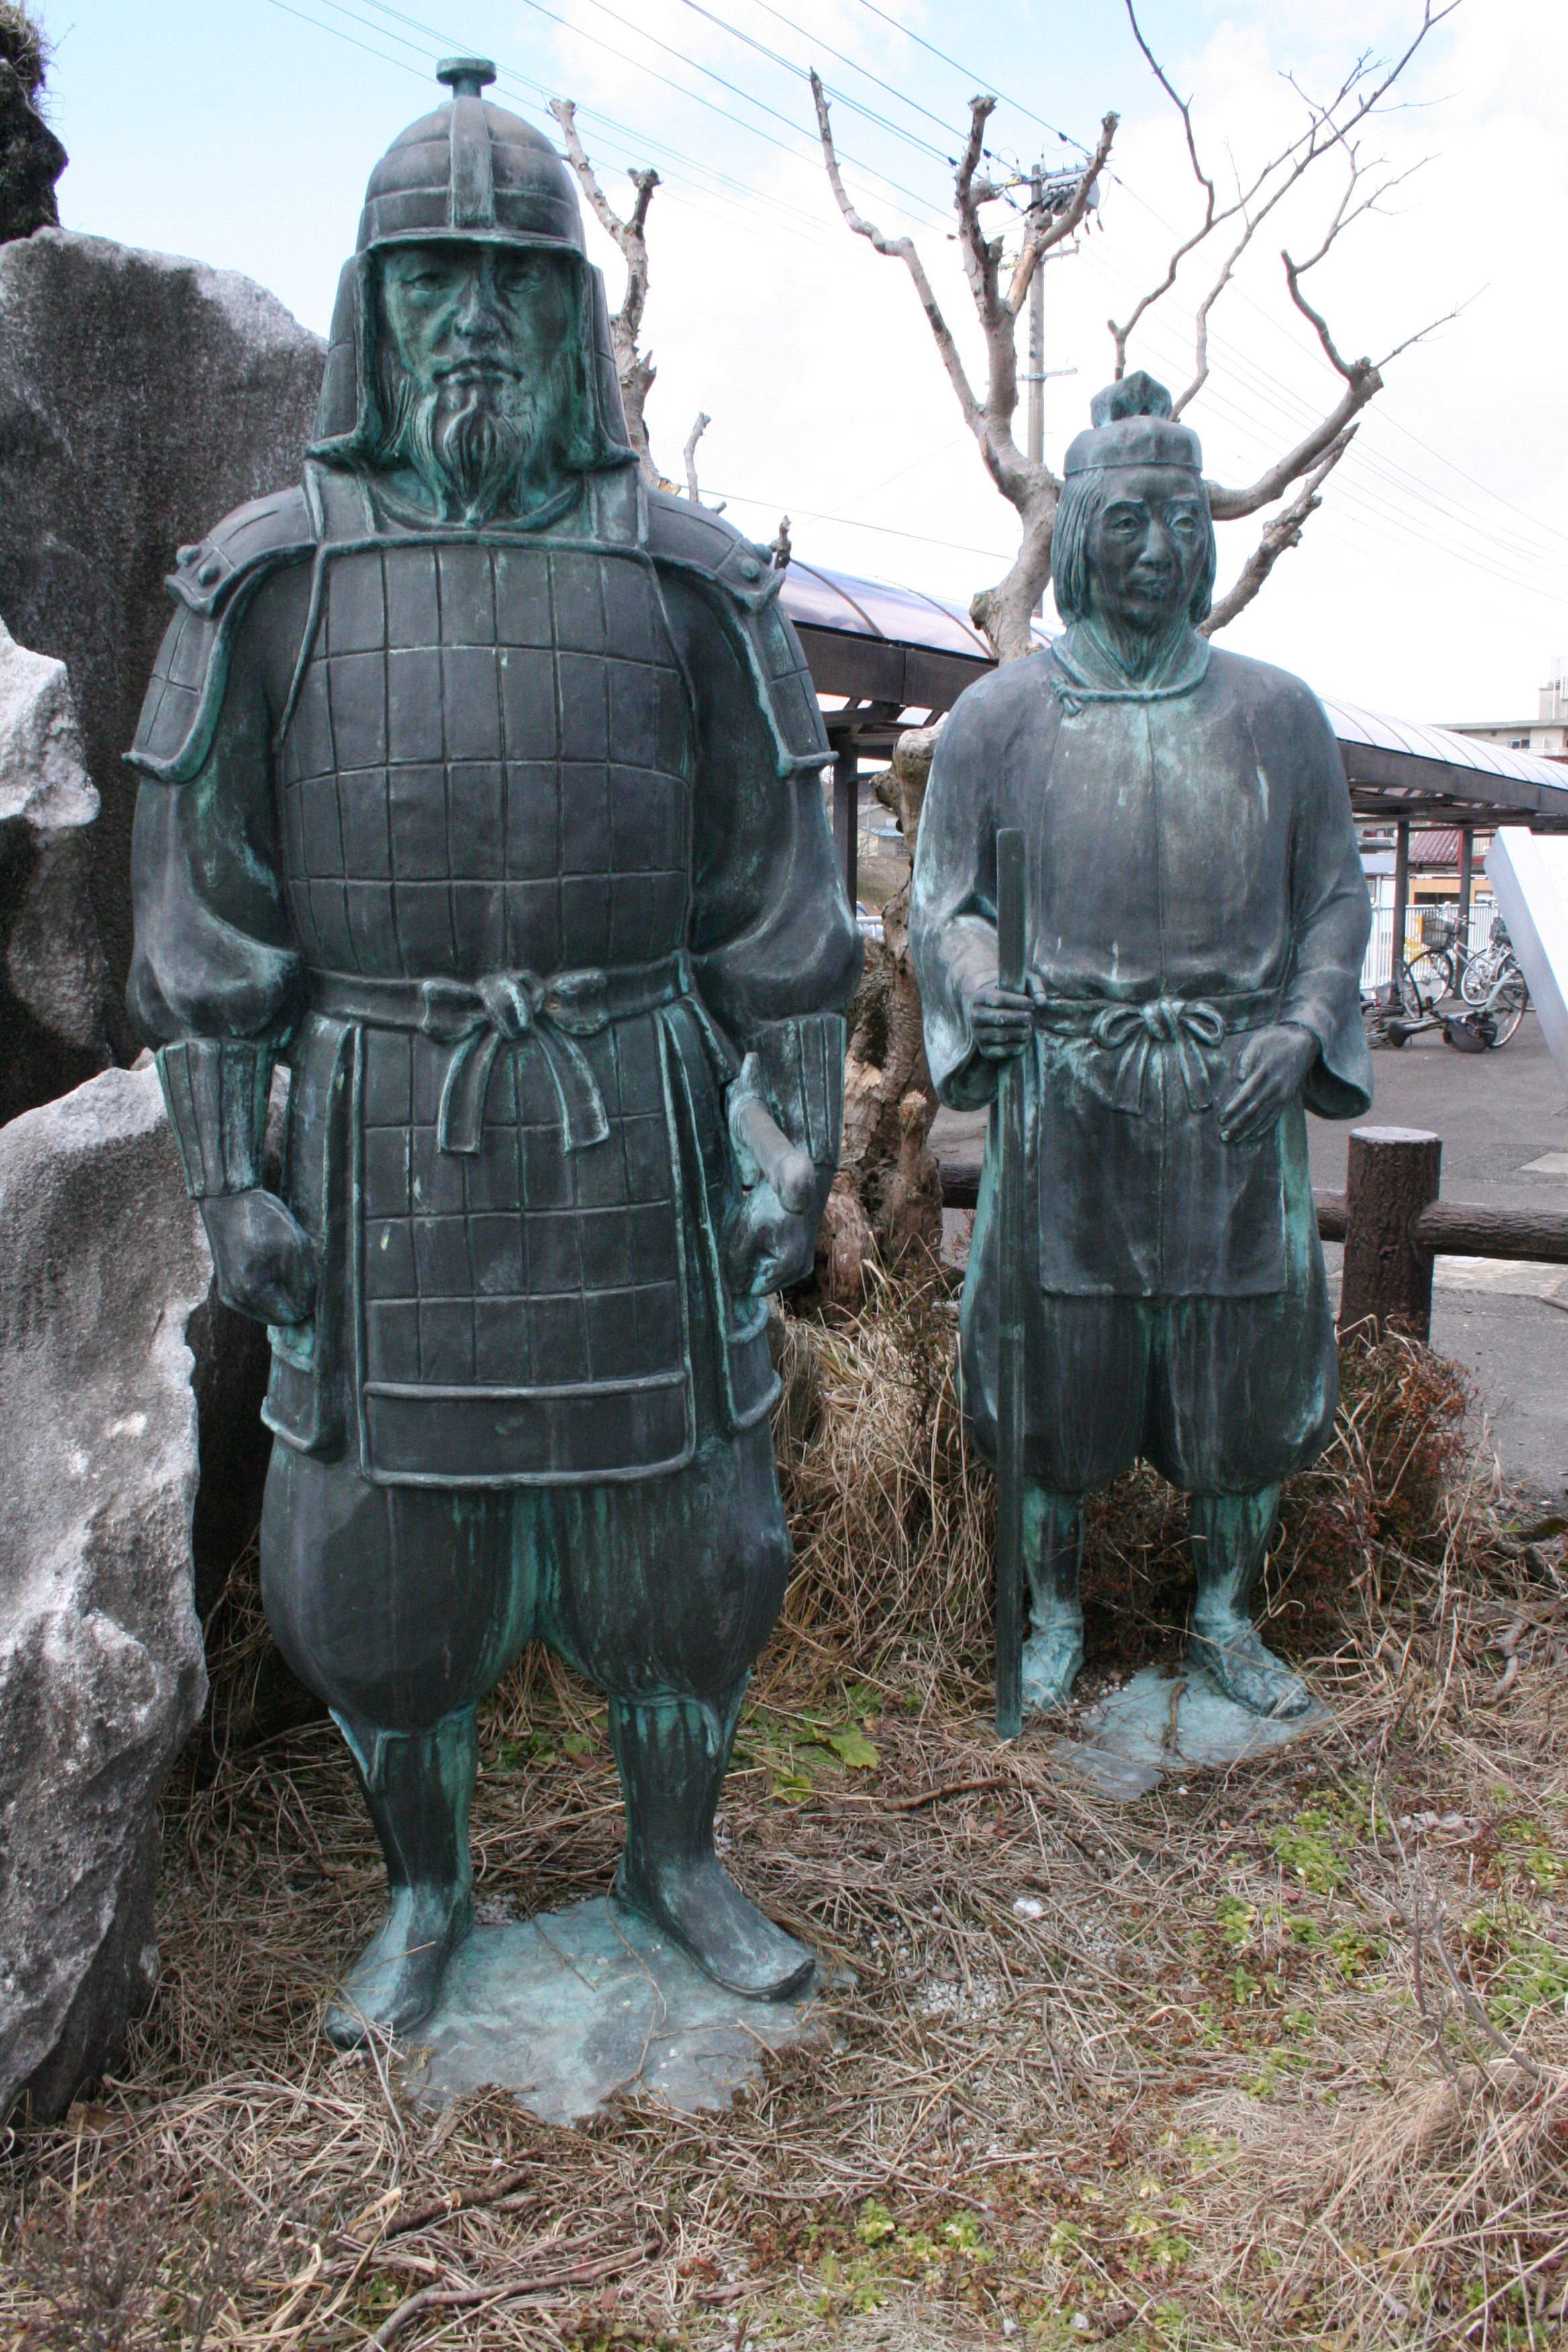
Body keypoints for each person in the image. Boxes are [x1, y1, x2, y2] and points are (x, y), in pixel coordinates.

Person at [128, 59, 860, 2040]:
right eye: (433, 276)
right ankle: (425, 1894)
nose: (474, 320)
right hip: (382, 1129)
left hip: (632, 1110)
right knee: (376, 1561)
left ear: (578, 320)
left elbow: (784, 896)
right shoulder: (268, 580)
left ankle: (676, 1858)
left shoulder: (694, 584)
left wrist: (792, 1146)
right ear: (372, 306)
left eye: (514, 280)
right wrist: (231, 1174)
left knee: (688, 1538)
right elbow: (207, 909)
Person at [910, 373, 1371, 1722]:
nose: (1156, 553)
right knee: (1056, 1369)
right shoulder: (1000, 718)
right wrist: (981, 982)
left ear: (1207, 536)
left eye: (1178, 523)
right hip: (1069, 1093)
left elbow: (1337, 894)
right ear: (1079, 542)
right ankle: (1052, 1616)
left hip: (1232, 1091)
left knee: (1242, 1374)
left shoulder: (1277, 712)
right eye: (1124, 525)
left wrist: (1300, 1027)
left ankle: (1228, 1614)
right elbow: (946, 901)